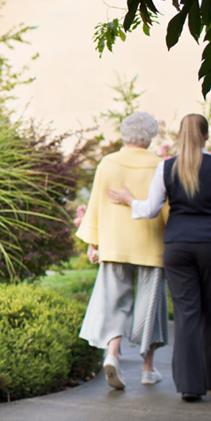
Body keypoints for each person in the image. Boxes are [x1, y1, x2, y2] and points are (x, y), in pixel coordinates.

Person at [108, 113, 211, 402]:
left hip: (178, 248)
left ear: (180, 136)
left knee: (187, 315)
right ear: (207, 136)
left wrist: (128, 200)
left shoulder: (166, 168)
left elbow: (149, 209)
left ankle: (189, 385)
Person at [76, 111, 169, 390]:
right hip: (151, 245)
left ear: (124, 134)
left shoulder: (108, 163)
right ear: (150, 137)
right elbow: (166, 209)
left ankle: (113, 354)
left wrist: (94, 243)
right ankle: (147, 368)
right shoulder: (160, 166)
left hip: (115, 244)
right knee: (150, 308)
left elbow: (95, 206)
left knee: (115, 303)